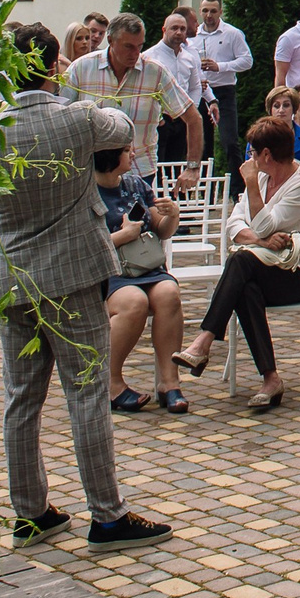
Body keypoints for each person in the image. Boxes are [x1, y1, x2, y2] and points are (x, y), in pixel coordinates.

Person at [0, 22, 169, 552]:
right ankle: (107, 517)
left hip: (12, 274)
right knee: (86, 394)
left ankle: (30, 513)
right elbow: (120, 127)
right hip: (70, 276)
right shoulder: (73, 117)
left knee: (21, 399)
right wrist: (71, 82)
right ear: (53, 66)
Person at [172, 115, 300, 410]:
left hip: (298, 273)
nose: (250, 158)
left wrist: (252, 186)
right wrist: (259, 241)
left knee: (240, 263)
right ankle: (271, 379)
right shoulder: (263, 177)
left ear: (266, 155)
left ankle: (203, 342)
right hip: (261, 263)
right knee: (245, 285)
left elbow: (264, 224)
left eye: (253, 153)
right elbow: (233, 224)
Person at [95, 146, 186, 415]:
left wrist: (173, 215)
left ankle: (169, 383)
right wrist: (122, 236)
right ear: (109, 156)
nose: (133, 153)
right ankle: (111, 383)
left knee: (169, 292)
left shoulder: (136, 184)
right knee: (134, 302)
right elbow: (82, 246)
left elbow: (161, 230)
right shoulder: (86, 191)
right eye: (126, 149)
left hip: (148, 267)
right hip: (110, 274)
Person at [64, 13, 198, 185]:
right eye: (128, 47)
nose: (135, 53)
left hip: (140, 173)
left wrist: (192, 167)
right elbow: (61, 116)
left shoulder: (154, 72)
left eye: (139, 46)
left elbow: (193, 118)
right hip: (91, 172)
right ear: (111, 41)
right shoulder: (81, 68)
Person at [189, 0, 253, 151]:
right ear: (200, 11)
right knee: (202, 143)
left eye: (213, 11)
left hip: (224, 89)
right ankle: (204, 175)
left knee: (230, 141)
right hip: (201, 91)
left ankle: (236, 175)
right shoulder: (193, 36)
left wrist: (220, 66)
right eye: (205, 11)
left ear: (220, 12)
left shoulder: (232, 33)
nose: (209, 15)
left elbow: (247, 61)